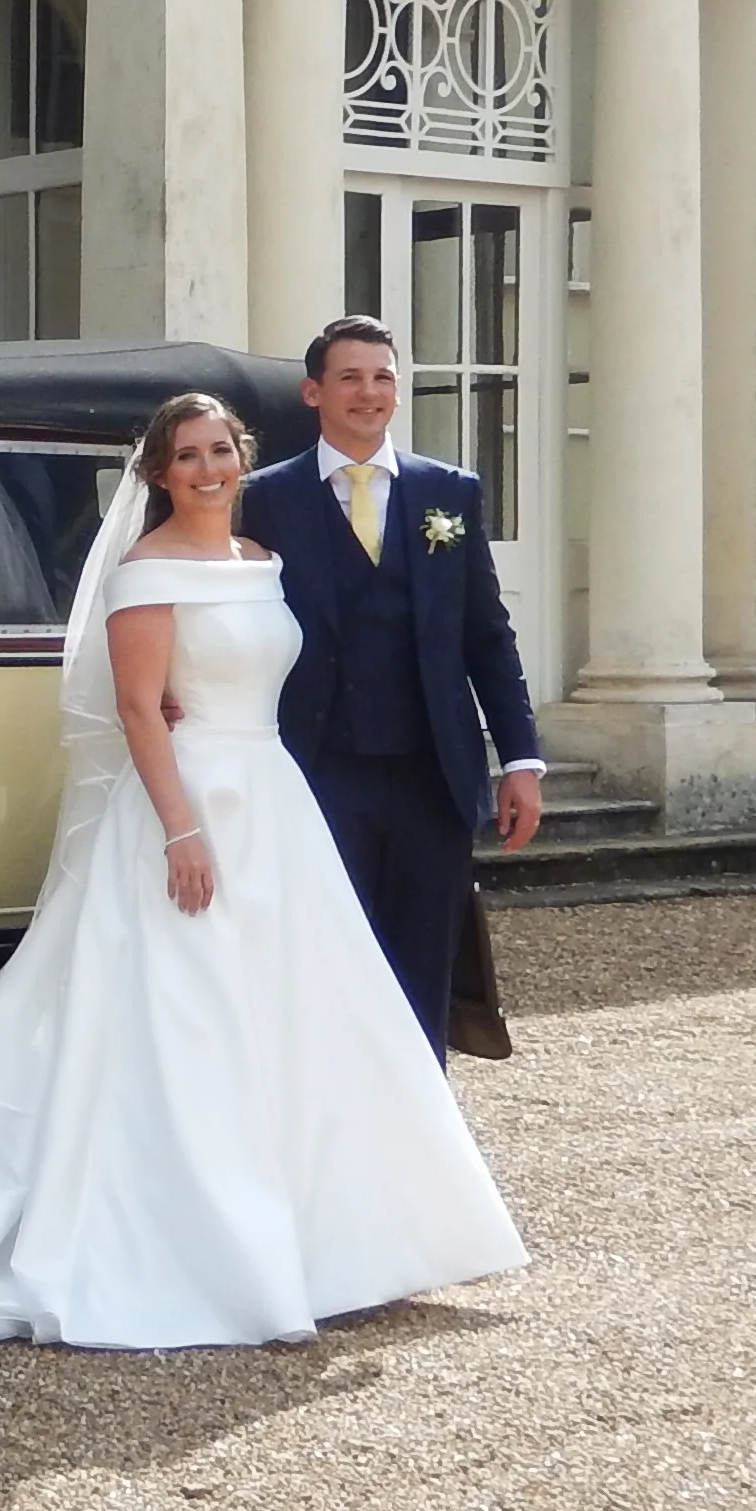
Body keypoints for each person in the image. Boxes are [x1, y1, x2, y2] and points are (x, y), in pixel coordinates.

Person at [0, 392, 525, 1353]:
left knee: (297, 1013)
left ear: (242, 458)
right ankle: (193, 1244)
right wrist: (180, 832)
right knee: (187, 1014)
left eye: (221, 450)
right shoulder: (147, 570)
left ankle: (332, 1238)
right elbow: (135, 709)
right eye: (188, 455)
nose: (209, 468)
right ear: (159, 473)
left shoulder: (263, 561)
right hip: (191, 807)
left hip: (275, 804)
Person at [234, 316, 544, 1060]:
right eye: (349, 377)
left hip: (430, 773)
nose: (368, 393)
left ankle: (418, 1131)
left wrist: (523, 760)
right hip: (316, 771)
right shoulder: (264, 499)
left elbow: (485, 635)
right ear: (314, 392)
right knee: (322, 954)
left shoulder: (450, 493)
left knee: (422, 963)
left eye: (382, 377)